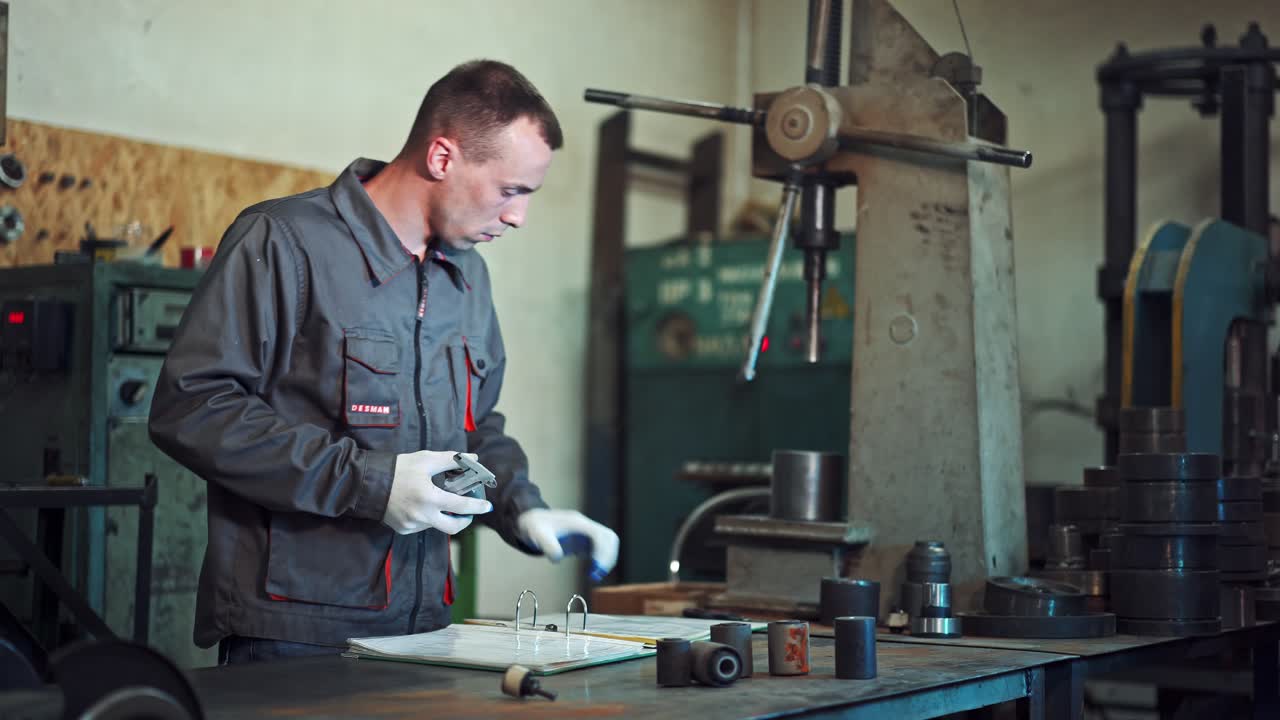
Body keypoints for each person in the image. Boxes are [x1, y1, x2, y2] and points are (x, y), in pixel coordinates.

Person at [149, 59, 619, 665]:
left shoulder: (466, 277)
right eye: (510, 190)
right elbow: (192, 407)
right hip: (296, 633)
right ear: (443, 157)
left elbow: (477, 427)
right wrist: (370, 483)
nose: (517, 216)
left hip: (426, 629)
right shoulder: (285, 243)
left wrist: (522, 508)